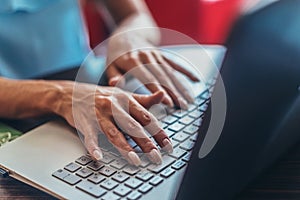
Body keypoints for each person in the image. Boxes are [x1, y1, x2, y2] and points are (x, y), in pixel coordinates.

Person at [0, 0, 198, 166]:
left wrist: (130, 38)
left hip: (88, 83)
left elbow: (135, 14)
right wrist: (62, 95)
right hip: (13, 108)